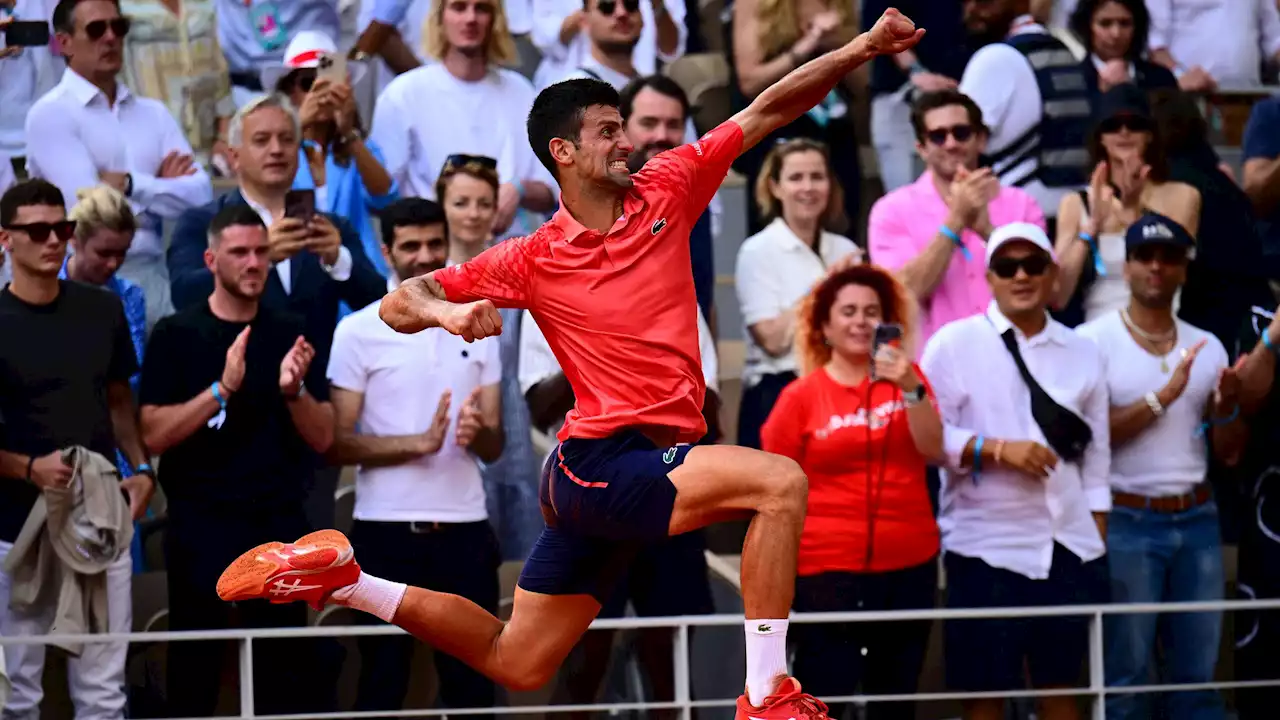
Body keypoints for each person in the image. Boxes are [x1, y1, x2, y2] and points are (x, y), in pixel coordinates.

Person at [215, 10, 925, 718]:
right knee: (780, 483)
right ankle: (768, 693)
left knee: (514, 661)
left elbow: (770, 106)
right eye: (609, 131)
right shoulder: (531, 256)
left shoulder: (669, 186)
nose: (629, 140)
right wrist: (450, 312)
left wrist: (861, 47)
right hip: (600, 465)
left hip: (624, 471)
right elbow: (403, 300)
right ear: (563, 151)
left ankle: (346, 583)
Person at [139, 203, 337, 717]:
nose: (253, 263)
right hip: (199, 523)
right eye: (240, 253)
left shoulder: (292, 330)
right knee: (195, 668)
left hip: (277, 524)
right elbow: (152, 435)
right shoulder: (176, 334)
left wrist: (294, 392)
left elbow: (324, 438)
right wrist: (221, 389)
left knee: (282, 671)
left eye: (261, 253)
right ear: (210, 259)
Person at [921, 222, 1111, 720]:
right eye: (1008, 266)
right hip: (982, 546)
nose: (1021, 275)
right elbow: (926, 437)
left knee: (1062, 692)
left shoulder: (1084, 348)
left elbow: (1097, 454)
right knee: (983, 697)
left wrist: (1097, 531)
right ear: (989, 277)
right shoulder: (951, 344)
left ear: (1052, 275)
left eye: (1034, 265)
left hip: (1065, 544)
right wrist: (996, 449)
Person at [326, 197, 504, 715]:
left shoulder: (479, 321)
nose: (423, 255)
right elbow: (338, 442)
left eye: (433, 243)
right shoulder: (357, 329)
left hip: (467, 529)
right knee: (383, 681)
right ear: (386, 250)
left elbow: (496, 446)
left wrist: (478, 432)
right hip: (385, 532)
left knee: (474, 686)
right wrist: (418, 443)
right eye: (410, 245)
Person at [1076, 213, 1241, 720]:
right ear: (1125, 268)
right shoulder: (1092, 341)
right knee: (1126, 679)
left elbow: (1229, 451)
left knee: (1198, 678)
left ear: (1183, 271)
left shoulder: (1207, 344)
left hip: (1197, 516)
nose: (1156, 266)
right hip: (1127, 518)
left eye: (1168, 258)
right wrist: (1162, 397)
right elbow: (1088, 437)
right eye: (1145, 257)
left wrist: (1228, 407)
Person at [0, 177, 154, 720]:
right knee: (16, 691)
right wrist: (25, 468)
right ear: (5, 239)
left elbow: (118, 401)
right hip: (14, 528)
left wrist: (140, 469)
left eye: (62, 229)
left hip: (99, 517)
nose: (53, 241)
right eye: (37, 230)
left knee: (103, 689)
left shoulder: (102, 310)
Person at [761, 263, 942, 720]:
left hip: (908, 566)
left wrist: (910, 388)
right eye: (848, 312)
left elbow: (935, 449)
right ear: (825, 325)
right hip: (826, 571)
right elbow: (770, 485)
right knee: (825, 697)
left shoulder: (912, 380)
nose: (861, 321)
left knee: (895, 698)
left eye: (871, 312)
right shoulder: (799, 397)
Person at [868, 89, 1044, 353]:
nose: (951, 143)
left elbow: (1046, 287)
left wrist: (988, 232)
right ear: (921, 149)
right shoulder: (890, 210)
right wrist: (956, 221)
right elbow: (903, 293)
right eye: (938, 136)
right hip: (934, 366)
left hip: (1015, 357)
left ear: (981, 139)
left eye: (961, 132)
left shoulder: (1022, 204)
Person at [734, 138, 861, 450]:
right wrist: (824, 287)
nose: (808, 187)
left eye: (817, 177)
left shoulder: (844, 249)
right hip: (778, 393)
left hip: (840, 393)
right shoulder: (757, 250)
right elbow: (773, 341)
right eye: (796, 178)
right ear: (775, 187)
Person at [1052, 84, 1200, 327]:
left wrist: (1133, 212)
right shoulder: (1075, 203)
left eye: (1134, 124)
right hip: (1097, 336)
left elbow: (1171, 266)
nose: (1124, 133)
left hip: (1161, 330)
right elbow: (1058, 294)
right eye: (1112, 126)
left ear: (1150, 134)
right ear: (1100, 136)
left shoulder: (1183, 196)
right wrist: (1091, 229)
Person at [270, 31, 399, 280]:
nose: (320, 91)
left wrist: (348, 132)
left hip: (358, 277)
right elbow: (265, 189)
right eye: (308, 83)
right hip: (299, 281)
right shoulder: (277, 150)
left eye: (327, 80)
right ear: (289, 92)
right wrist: (296, 126)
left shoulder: (357, 146)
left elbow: (386, 201)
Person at [1068, 0, 1176, 99]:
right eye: (1105, 24)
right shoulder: (1071, 81)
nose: (1116, 33)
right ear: (1086, 26)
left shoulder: (1161, 79)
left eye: (1125, 23)